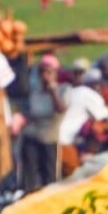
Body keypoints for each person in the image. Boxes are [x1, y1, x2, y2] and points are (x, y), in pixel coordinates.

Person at [17, 54, 68, 190]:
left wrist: (53, 92)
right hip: (32, 136)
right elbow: (29, 111)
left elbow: (61, 109)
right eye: (43, 72)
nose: (45, 76)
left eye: (49, 72)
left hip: (49, 138)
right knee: (30, 176)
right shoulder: (35, 92)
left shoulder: (63, 90)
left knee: (49, 176)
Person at [57, 60, 108, 177]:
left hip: (54, 139)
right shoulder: (88, 94)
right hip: (65, 142)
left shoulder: (72, 91)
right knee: (73, 179)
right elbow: (107, 119)